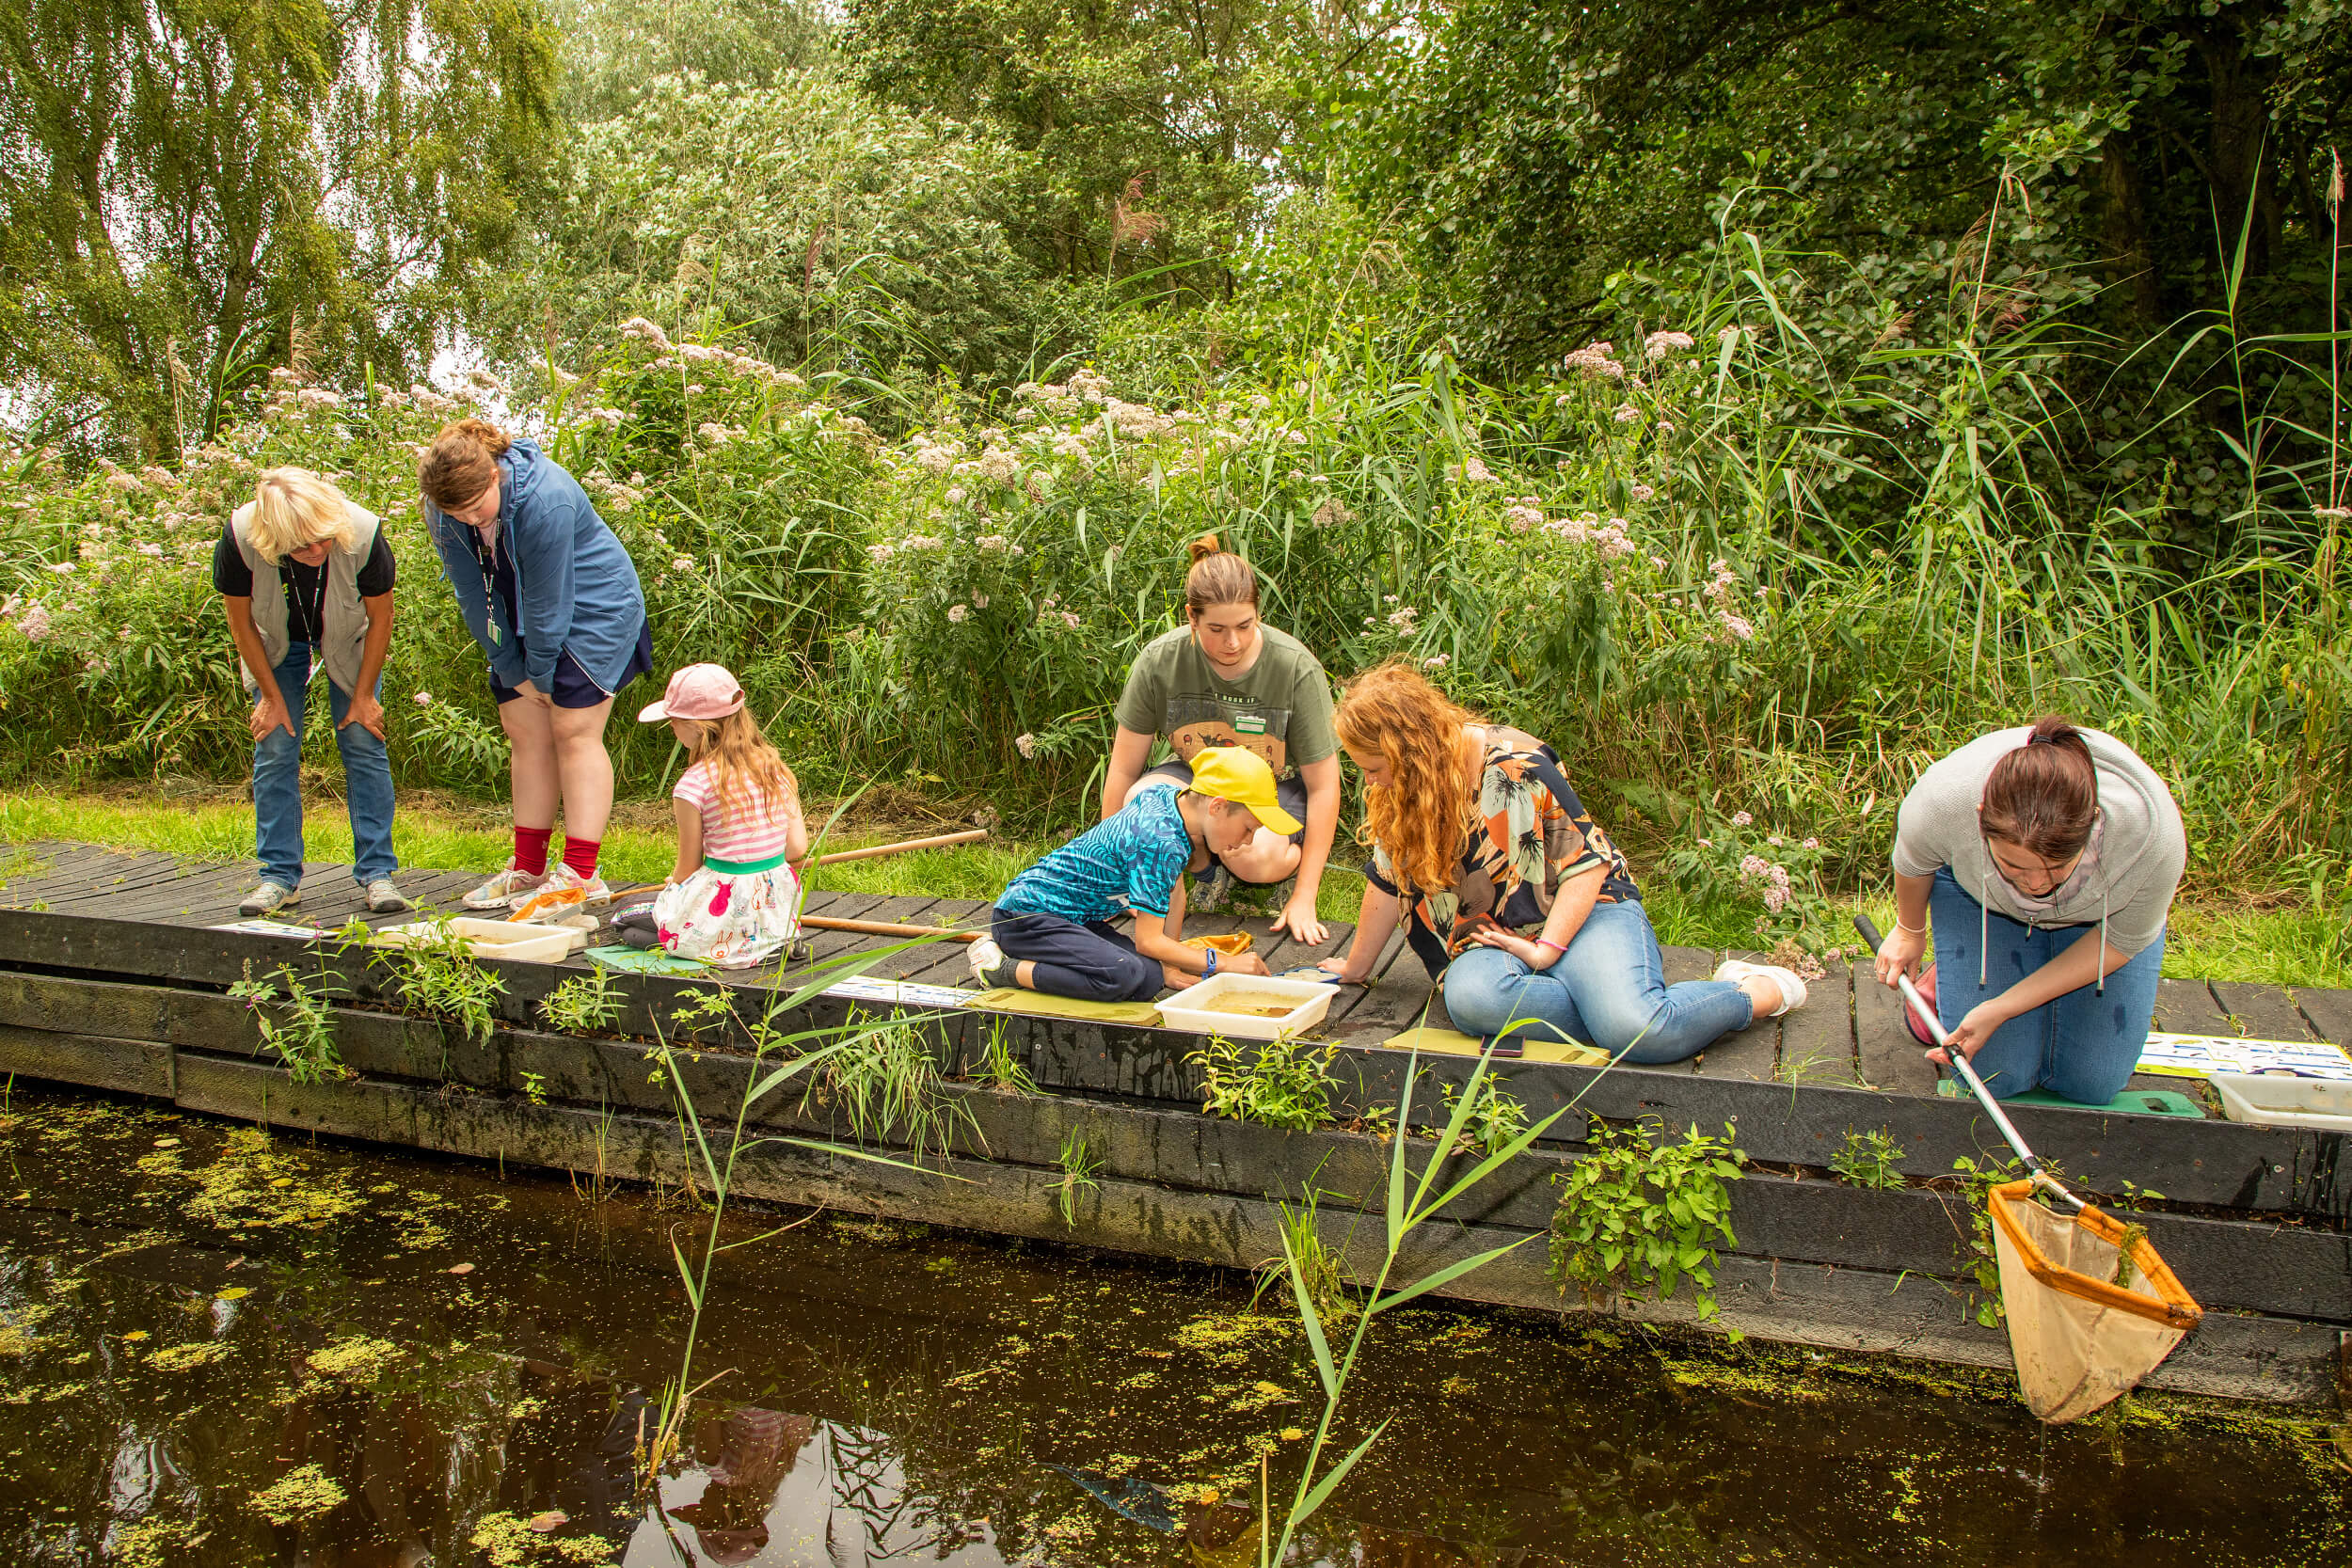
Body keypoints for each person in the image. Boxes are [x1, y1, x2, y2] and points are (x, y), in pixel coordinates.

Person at [1317, 662, 1805, 1058]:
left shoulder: (1516, 765)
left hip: (1585, 913)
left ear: (1412, 752)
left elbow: (1587, 866)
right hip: (1493, 939)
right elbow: (1388, 880)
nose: (1370, 782)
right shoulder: (1401, 789)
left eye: (1375, 768)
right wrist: (1357, 967)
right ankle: (1607, 1004)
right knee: (1472, 1000)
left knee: (1640, 1032)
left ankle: (1754, 991)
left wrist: (1546, 953)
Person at [1871, 716, 2184, 1104]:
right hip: (1984, 903)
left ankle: (2003, 980)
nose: (2036, 885)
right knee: (1994, 1078)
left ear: (2093, 825)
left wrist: (2001, 1008)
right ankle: (1946, 983)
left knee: (2092, 1083)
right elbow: (1914, 860)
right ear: (1980, 819)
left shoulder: (2152, 835)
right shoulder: (1946, 799)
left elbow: (2122, 939)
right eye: (2015, 866)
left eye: (2056, 868)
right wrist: (1909, 930)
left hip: (2099, 924)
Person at [419, 418, 652, 921]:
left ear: (495, 476)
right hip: (517, 611)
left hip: (593, 608)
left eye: (476, 508)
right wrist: (509, 665)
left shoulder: (546, 497)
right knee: (523, 729)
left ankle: (581, 875)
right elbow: (471, 593)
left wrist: (542, 679)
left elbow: (550, 603)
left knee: (573, 729)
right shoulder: (443, 511)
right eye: (456, 514)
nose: (469, 521)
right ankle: (528, 867)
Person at [1102, 534, 1342, 942]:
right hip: (1199, 778)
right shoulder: (1159, 661)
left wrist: (1306, 895)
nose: (1232, 642)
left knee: (1255, 857)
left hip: (1274, 788)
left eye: (1245, 626)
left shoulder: (1295, 668)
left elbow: (1324, 787)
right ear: (1191, 617)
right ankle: (1205, 872)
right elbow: (1124, 769)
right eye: (1216, 629)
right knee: (1138, 804)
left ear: (1258, 614)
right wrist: (1114, 871)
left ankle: (1283, 871)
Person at [215, 467, 408, 916]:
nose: (317, 550)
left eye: (323, 539)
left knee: (362, 737)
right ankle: (279, 877)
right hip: (275, 640)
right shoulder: (240, 537)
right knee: (275, 743)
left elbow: (381, 618)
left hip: (349, 636)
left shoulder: (363, 532)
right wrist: (270, 698)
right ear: (272, 539)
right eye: (301, 546)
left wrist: (364, 698)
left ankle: (377, 874)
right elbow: (240, 623)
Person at [970, 747, 1291, 1003]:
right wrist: (1224, 962)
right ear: (1217, 807)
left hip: (1073, 919)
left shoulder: (1169, 800)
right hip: (1026, 917)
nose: (1248, 840)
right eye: (1248, 828)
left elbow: (1174, 890)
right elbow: (1149, 941)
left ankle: (1037, 959)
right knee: (1123, 975)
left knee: (1149, 978)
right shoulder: (1159, 842)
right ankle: (1002, 970)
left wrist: (1170, 966)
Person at [624, 664, 809, 969]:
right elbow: (796, 848)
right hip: (775, 906)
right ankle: (772, 944)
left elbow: (688, 868)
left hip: (724, 907)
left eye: (674, 720)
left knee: (628, 924)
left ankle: (736, 948)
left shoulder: (693, 785)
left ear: (698, 726)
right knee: (642, 918)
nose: (671, 727)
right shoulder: (774, 767)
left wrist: (676, 885)